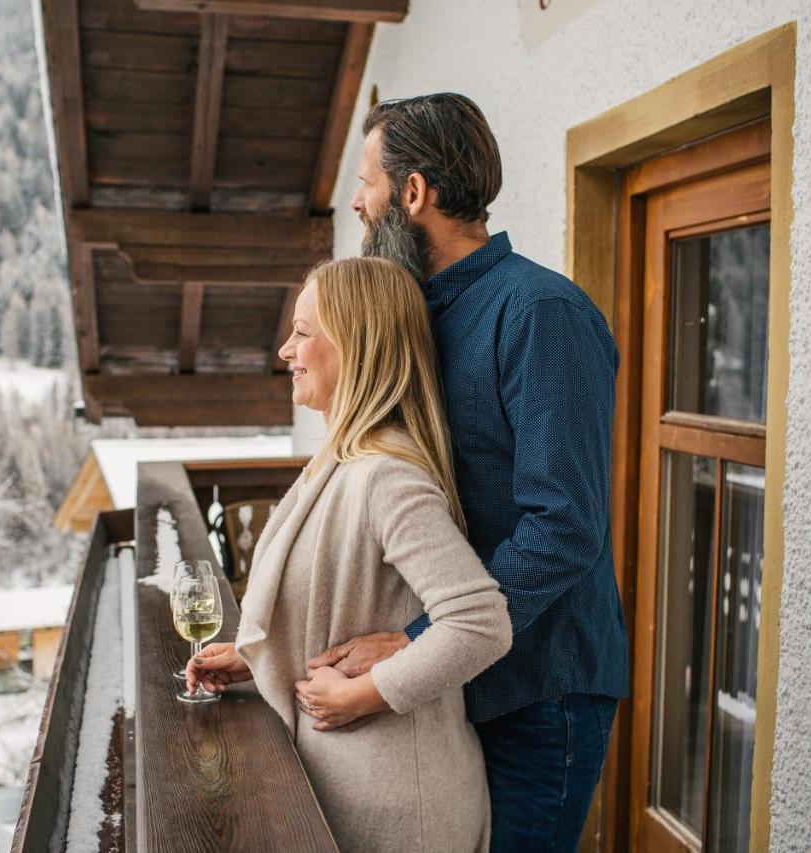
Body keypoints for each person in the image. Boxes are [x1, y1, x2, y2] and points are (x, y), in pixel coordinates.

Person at [305, 93, 629, 851]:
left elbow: (563, 524)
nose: (356, 203)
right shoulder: (420, 318)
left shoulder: (541, 312)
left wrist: (419, 639)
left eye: (368, 184)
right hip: (463, 679)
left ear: (414, 193)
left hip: (542, 690)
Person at [186, 256, 512, 853]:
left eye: (304, 332)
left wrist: (369, 691)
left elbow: (480, 624)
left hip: (402, 810)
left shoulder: (386, 476)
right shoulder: (338, 462)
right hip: (346, 790)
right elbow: (337, 606)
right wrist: (260, 657)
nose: (286, 349)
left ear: (356, 345)